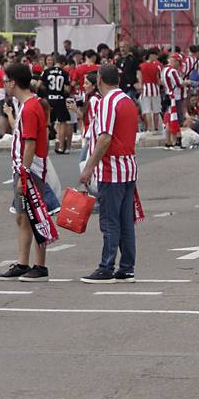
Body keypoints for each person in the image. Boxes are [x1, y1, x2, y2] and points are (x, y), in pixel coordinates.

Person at [79, 65, 140, 284]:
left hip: (111, 169)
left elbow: (105, 138)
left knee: (109, 220)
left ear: (99, 80)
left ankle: (107, 266)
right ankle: (127, 267)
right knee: (125, 220)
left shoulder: (107, 103)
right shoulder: (127, 101)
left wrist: (88, 168)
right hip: (127, 167)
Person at [0, 64, 56, 282]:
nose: (4, 85)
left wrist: (24, 174)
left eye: (5, 81)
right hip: (26, 169)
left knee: (34, 216)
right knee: (23, 217)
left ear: (13, 82)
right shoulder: (26, 105)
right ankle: (23, 263)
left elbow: (29, 144)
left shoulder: (30, 107)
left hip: (31, 170)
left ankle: (40, 266)